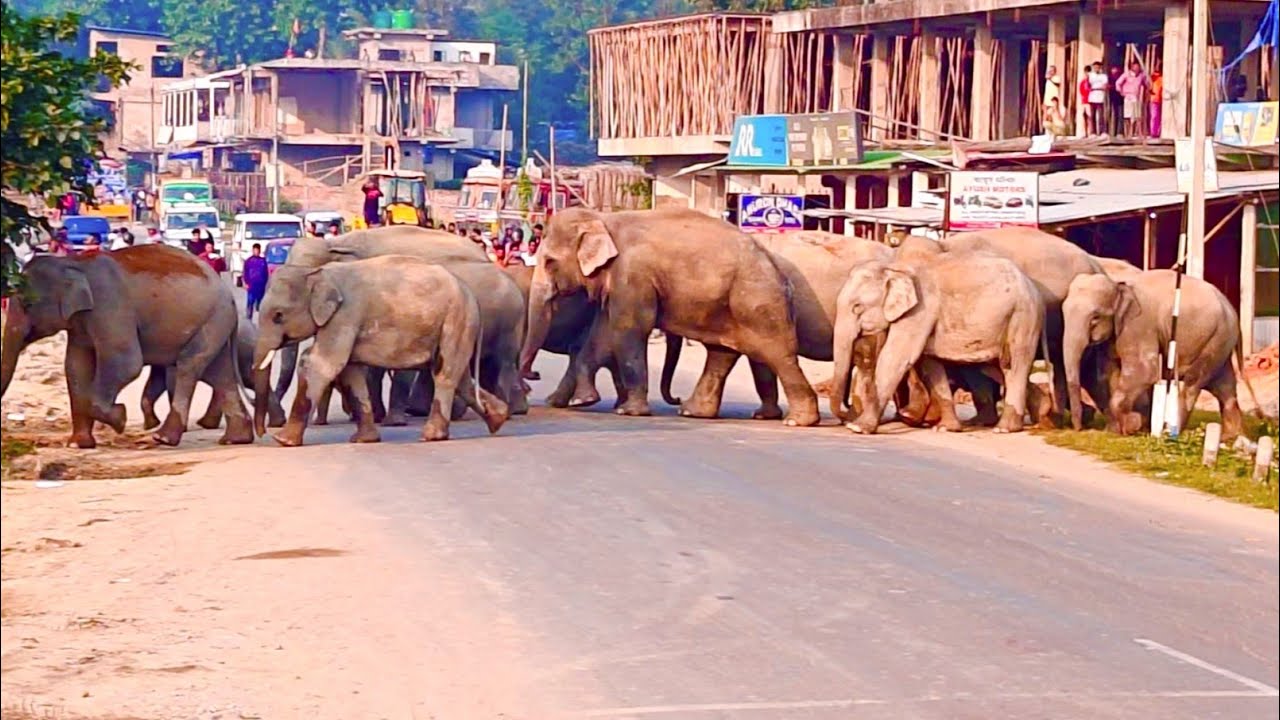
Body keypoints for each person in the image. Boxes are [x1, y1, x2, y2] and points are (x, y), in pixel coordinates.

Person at [1115, 61, 1148, 139]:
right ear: (1132, 67)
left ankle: (1138, 133)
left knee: (1137, 115)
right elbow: (1118, 83)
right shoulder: (1126, 75)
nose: (1136, 68)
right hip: (1128, 97)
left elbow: (1147, 84)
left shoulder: (1141, 76)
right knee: (1128, 115)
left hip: (1136, 97)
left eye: (1138, 67)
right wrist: (1121, 92)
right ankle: (1128, 133)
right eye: (1135, 67)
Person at [242, 243, 269, 320]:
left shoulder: (263, 261)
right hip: (251, 285)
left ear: (260, 251)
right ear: (253, 250)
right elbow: (245, 272)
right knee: (250, 301)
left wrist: (265, 283)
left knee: (260, 303)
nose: (256, 252)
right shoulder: (248, 261)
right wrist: (245, 283)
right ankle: (248, 317)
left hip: (261, 285)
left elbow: (266, 273)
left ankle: (260, 318)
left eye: (258, 250)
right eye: (255, 250)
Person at [1086, 62, 1109, 137]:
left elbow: (1105, 86)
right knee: (1092, 115)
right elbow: (1087, 86)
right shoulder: (1090, 75)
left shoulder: (1103, 76)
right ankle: (1093, 132)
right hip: (1092, 96)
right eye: (1095, 67)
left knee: (1101, 115)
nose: (1096, 68)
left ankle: (1102, 131)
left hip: (1100, 96)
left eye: (1098, 67)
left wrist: (1096, 88)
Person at [1041, 65, 1061, 133]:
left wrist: (1051, 79)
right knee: (1046, 114)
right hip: (1047, 98)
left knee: (1055, 112)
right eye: (1050, 70)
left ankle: (1058, 128)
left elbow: (1058, 84)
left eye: (1052, 70)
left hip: (1054, 98)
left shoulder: (1056, 78)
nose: (1051, 72)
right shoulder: (1048, 79)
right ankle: (1046, 129)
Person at [1149, 65, 1164, 138]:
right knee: (1155, 116)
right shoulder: (1154, 78)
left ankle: (1158, 132)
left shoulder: (1163, 79)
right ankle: (1153, 132)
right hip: (1155, 100)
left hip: (1163, 100)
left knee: (1160, 117)